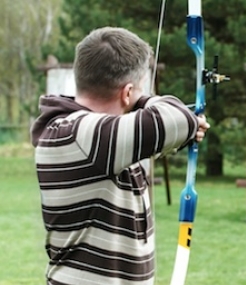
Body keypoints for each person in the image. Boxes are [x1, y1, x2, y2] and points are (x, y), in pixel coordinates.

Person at [30, 27, 209, 285]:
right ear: (127, 93)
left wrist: (184, 131)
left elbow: (170, 128)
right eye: (136, 92)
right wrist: (147, 101)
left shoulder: (95, 137)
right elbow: (176, 118)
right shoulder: (80, 134)